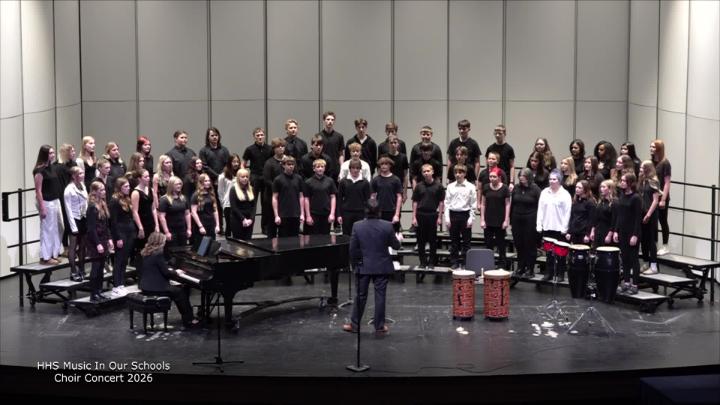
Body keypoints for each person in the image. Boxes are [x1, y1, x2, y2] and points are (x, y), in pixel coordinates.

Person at [342, 198, 402, 334]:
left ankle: (355, 325)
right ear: (379, 211)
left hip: (363, 266)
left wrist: (355, 265)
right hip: (381, 266)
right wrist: (399, 239)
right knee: (380, 296)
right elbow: (396, 246)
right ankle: (379, 326)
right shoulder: (387, 226)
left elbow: (352, 249)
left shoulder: (357, 226)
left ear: (365, 211)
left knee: (360, 296)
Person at [140, 232, 199, 329]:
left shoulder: (146, 253)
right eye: (163, 242)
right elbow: (166, 273)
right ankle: (189, 320)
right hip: (156, 288)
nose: (164, 244)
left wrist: (170, 269)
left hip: (145, 286)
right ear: (159, 242)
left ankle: (188, 317)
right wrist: (176, 272)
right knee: (180, 293)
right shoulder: (158, 254)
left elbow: (158, 268)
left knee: (178, 291)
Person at [536, 169, 572, 281]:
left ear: (559, 181)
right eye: (550, 179)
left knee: (560, 253)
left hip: (560, 229)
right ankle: (549, 273)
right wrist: (539, 224)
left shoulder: (565, 194)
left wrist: (565, 228)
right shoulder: (544, 192)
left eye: (554, 179)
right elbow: (540, 210)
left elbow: (567, 213)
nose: (551, 181)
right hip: (547, 227)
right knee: (549, 253)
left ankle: (560, 274)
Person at [33, 145, 63, 266]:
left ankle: (53, 254)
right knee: (47, 229)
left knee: (56, 228)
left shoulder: (51, 167)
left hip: (55, 200)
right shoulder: (39, 171)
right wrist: (42, 207)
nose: (53, 155)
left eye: (53, 152)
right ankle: (45, 257)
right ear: (44, 154)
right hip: (46, 202)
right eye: (50, 153)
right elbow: (38, 190)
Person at [613, 173, 642, 294]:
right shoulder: (622, 195)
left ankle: (635, 285)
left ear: (630, 183)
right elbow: (619, 216)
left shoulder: (636, 198)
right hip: (623, 232)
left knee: (633, 259)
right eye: (621, 180)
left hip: (632, 232)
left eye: (624, 181)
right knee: (624, 258)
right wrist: (616, 231)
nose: (622, 182)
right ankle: (626, 282)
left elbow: (638, 218)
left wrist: (635, 235)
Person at [412, 164, 445, 272]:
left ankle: (431, 262)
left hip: (432, 215)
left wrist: (440, 217)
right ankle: (422, 262)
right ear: (422, 173)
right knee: (420, 240)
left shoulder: (439, 186)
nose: (426, 173)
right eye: (424, 171)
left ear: (432, 172)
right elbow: (415, 202)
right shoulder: (419, 186)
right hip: (420, 214)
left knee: (432, 240)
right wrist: (414, 217)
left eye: (428, 171)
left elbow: (441, 202)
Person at [444, 164, 477, 270]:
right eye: (456, 173)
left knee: (466, 242)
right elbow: (447, 203)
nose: (458, 175)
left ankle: (466, 262)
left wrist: (471, 218)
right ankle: (454, 262)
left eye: (460, 172)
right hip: (453, 214)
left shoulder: (471, 187)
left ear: (465, 174)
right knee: (454, 241)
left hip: (465, 215)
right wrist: (447, 218)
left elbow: (473, 204)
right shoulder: (450, 186)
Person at [511, 169, 541, 278]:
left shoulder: (535, 189)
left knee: (530, 245)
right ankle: (520, 267)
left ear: (528, 177)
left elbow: (540, 206)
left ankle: (530, 269)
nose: (521, 178)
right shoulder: (516, 188)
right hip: (516, 219)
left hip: (530, 219)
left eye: (523, 176)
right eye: (520, 176)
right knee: (519, 244)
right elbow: (512, 204)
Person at [86, 181, 113, 302]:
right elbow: (91, 229)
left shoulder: (102, 204)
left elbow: (106, 225)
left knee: (101, 267)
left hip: (102, 238)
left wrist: (109, 239)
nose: (104, 192)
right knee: (96, 267)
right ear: (94, 192)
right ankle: (93, 294)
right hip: (95, 240)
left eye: (104, 189)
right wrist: (98, 244)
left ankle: (99, 291)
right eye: (101, 190)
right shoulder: (92, 207)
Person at [109, 177, 136, 297]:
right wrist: (118, 237)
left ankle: (121, 284)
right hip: (121, 233)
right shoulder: (114, 201)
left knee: (125, 260)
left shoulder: (127, 199)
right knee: (119, 260)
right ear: (119, 188)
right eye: (126, 186)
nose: (128, 188)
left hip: (129, 232)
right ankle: (116, 285)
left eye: (129, 186)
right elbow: (113, 222)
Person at [242, 128, 273, 235]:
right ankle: (250, 227)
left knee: (266, 204)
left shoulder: (270, 149)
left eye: (261, 135)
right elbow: (243, 164)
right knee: (252, 203)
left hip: (266, 178)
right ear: (254, 137)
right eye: (257, 135)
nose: (260, 137)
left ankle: (265, 228)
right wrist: (244, 175)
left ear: (264, 136)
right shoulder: (249, 149)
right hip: (254, 178)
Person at [480, 168, 511, 269]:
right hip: (488, 220)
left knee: (501, 244)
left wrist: (506, 220)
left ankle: (502, 264)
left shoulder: (505, 188)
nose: (492, 178)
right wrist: (482, 219)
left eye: (494, 177)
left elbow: (507, 204)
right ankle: (488, 264)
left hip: (500, 220)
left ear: (499, 177)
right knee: (488, 243)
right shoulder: (486, 187)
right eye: (490, 176)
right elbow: (483, 204)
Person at [64, 166, 88, 281]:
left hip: (83, 218)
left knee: (83, 246)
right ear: (74, 176)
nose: (83, 175)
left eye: (83, 173)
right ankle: (73, 271)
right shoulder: (68, 190)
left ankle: (82, 269)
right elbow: (68, 209)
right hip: (73, 219)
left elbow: (86, 201)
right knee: (73, 246)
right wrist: (73, 226)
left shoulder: (83, 185)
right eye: (80, 173)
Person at [272, 157, 305, 237]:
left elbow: (301, 197)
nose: (291, 166)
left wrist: (302, 214)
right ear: (283, 165)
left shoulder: (299, 178)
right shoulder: (278, 179)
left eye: (292, 164)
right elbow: (274, 198)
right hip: (283, 215)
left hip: (295, 214)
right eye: (288, 164)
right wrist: (276, 216)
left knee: (295, 239)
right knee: (283, 239)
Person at [337, 160, 371, 236]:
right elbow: (339, 199)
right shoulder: (343, 181)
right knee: (346, 235)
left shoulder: (365, 182)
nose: (355, 170)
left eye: (357, 168)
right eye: (353, 168)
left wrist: (367, 215)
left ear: (360, 169)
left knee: (360, 235)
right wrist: (339, 215)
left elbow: (368, 200)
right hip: (346, 213)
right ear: (350, 169)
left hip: (360, 213)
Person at [303, 159, 337, 235]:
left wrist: (332, 214)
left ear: (325, 168)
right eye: (318, 167)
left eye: (322, 167)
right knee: (313, 238)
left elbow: (333, 197)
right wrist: (308, 216)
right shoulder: (308, 182)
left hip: (326, 214)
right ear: (314, 169)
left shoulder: (330, 181)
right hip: (313, 214)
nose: (320, 169)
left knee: (326, 237)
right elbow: (306, 199)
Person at [639, 161, 661, 275]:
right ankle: (645, 262)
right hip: (642, 212)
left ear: (648, 169)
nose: (640, 169)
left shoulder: (654, 181)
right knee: (643, 240)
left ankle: (653, 266)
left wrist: (648, 214)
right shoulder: (643, 180)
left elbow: (655, 201)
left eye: (642, 167)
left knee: (651, 240)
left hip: (650, 214)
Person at [651, 139, 672, 255]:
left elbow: (667, 182)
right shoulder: (651, 162)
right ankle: (654, 244)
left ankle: (665, 246)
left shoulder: (665, 163)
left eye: (653, 147)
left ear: (659, 149)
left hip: (661, 196)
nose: (651, 149)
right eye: (651, 147)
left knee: (663, 221)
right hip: (652, 195)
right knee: (653, 222)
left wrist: (663, 199)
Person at [158, 176, 191, 249]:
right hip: (171, 230)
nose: (179, 186)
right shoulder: (164, 199)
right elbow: (161, 217)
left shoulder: (183, 198)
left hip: (182, 229)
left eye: (180, 184)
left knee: (183, 249)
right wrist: (166, 232)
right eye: (177, 184)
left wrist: (189, 229)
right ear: (171, 185)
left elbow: (187, 214)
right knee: (172, 251)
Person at [263, 138, 288, 237]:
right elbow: (267, 180)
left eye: (282, 146)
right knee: (272, 226)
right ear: (274, 149)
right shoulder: (269, 163)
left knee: (285, 227)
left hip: (285, 198)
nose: (281, 148)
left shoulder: (289, 161)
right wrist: (278, 188)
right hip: (272, 197)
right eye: (278, 147)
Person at [371, 157, 403, 232]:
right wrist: (373, 212)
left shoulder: (396, 179)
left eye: (386, 164)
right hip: (379, 211)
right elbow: (372, 196)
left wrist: (397, 214)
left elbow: (399, 197)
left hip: (392, 211)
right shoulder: (376, 180)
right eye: (382, 164)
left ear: (390, 165)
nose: (384, 166)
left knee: (393, 233)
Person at [131, 169, 158, 255]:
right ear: (139, 179)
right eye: (145, 177)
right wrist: (140, 227)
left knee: (153, 247)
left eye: (148, 176)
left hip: (151, 222)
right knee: (143, 249)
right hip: (142, 222)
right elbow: (135, 212)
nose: (148, 178)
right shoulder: (135, 192)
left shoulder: (151, 190)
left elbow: (153, 208)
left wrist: (156, 224)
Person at [191, 173, 220, 246]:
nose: (208, 182)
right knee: (202, 247)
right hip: (202, 224)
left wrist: (217, 225)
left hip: (211, 223)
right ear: (201, 182)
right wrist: (200, 226)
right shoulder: (196, 195)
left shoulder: (211, 194)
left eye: (209, 181)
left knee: (212, 245)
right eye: (206, 181)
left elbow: (215, 210)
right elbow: (193, 212)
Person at [379, 134, 409, 203]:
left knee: (398, 208)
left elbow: (405, 176)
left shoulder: (403, 157)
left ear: (398, 144)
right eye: (391, 143)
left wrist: (405, 192)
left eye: (395, 143)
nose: (393, 145)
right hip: (385, 187)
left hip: (398, 188)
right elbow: (380, 174)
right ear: (388, 144)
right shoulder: (383, 157)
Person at [228, 168, 257, 240]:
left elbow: (254, 206)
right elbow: (234, 207)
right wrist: (243, 219)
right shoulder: (233, 189)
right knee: (238, 243)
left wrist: (251, 219)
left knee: (248, 241)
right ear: (238, 178)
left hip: (249, 220)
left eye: (247, 177)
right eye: (243, 177)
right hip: (237, 220)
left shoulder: (251, 189)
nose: (245, 178)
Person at [565, 180, 596, 245]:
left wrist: (587, 234)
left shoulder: (590, 203)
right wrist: (569, 232)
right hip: (575, 232)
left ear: (585, 189)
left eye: (579, 188)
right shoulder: (575, 201)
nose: (577, 189)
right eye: (576, 187)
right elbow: (572, 217)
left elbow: (591, 220)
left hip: (583, 233)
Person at [316, 111, 345, 180]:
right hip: (322, 168)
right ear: (324, 120)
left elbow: (341, 154)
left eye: (332, 120)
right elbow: (316, 153)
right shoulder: (318, 136)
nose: (330, 121)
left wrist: (342, 168)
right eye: (328, 119)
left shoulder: (339, 136)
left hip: (335, 169)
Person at [218, 154, 241, 237]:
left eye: (237, 162)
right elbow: (220, 191)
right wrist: (223, 204)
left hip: (239, 203)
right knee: (229, 225)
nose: (236, 164)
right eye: (234, 162)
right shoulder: (222, 176)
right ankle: (228, 243)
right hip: (228, 204)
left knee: (238, 225)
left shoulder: (241, 174)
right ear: (229, 162)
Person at [590, 180, 618, 248]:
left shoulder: (615, 202)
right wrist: (592, 231)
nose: (601, 189)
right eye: (601, 187)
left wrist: (609, 235)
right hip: (598, 231)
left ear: (610, 189)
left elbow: (614, 221)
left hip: (607, 231)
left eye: (603, 187)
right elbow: (595, 218)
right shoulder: (600, 201)